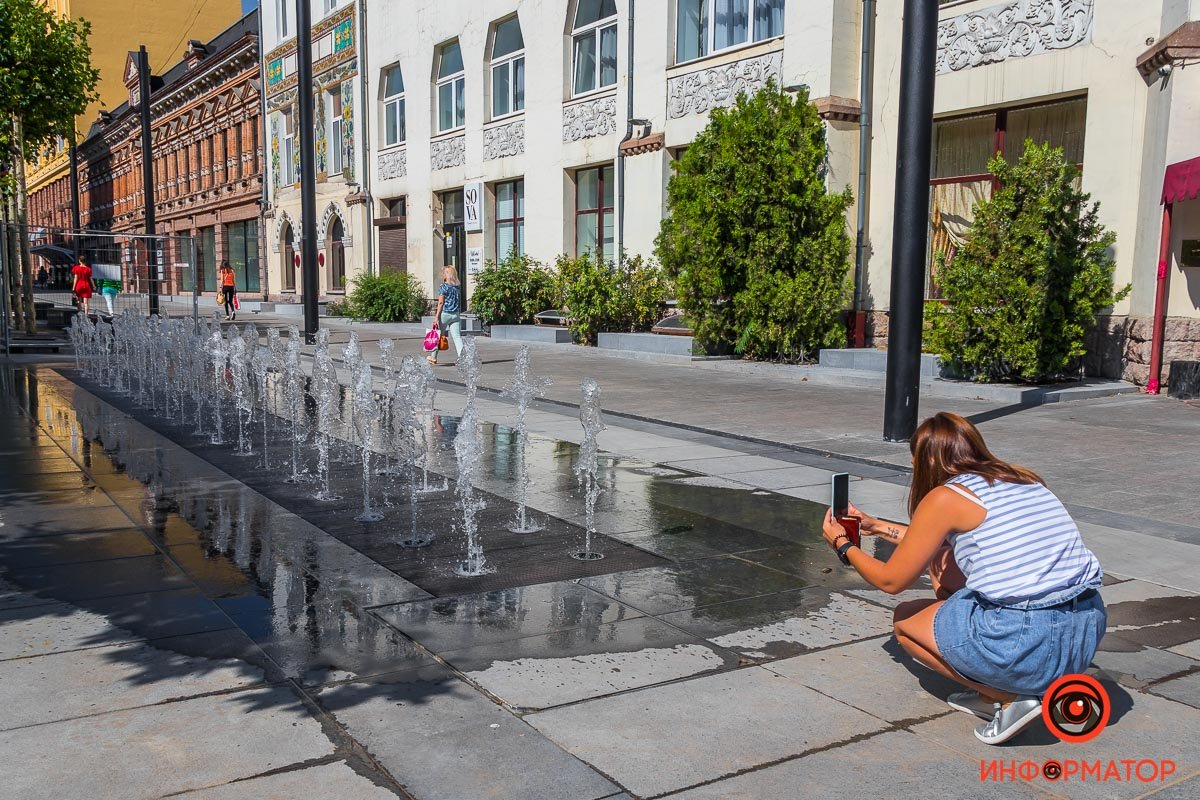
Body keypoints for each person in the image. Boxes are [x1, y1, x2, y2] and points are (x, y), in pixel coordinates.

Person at [821, 412, 1105, 745]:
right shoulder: (1023, 479)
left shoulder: (946, 497)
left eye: (914, 459)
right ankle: (993, 690)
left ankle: (1009, 698)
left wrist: (843, 545)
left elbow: (890, 581)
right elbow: (929, 542)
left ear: (927, 460)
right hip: (1084, 630)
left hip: (1026, 635)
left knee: (905, 621)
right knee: (944, 555)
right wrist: (875, 525)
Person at [427, 265, 462, 366]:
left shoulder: (443, 286)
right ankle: (462, 358)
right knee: (457, 337)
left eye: (444, 272)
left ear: (447, 274)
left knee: (437, 335)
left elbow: (441, 303)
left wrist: (436, 317)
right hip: (456, 315)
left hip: (445, 314)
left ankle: (433, 357)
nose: (443, 274)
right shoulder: (457, 286)